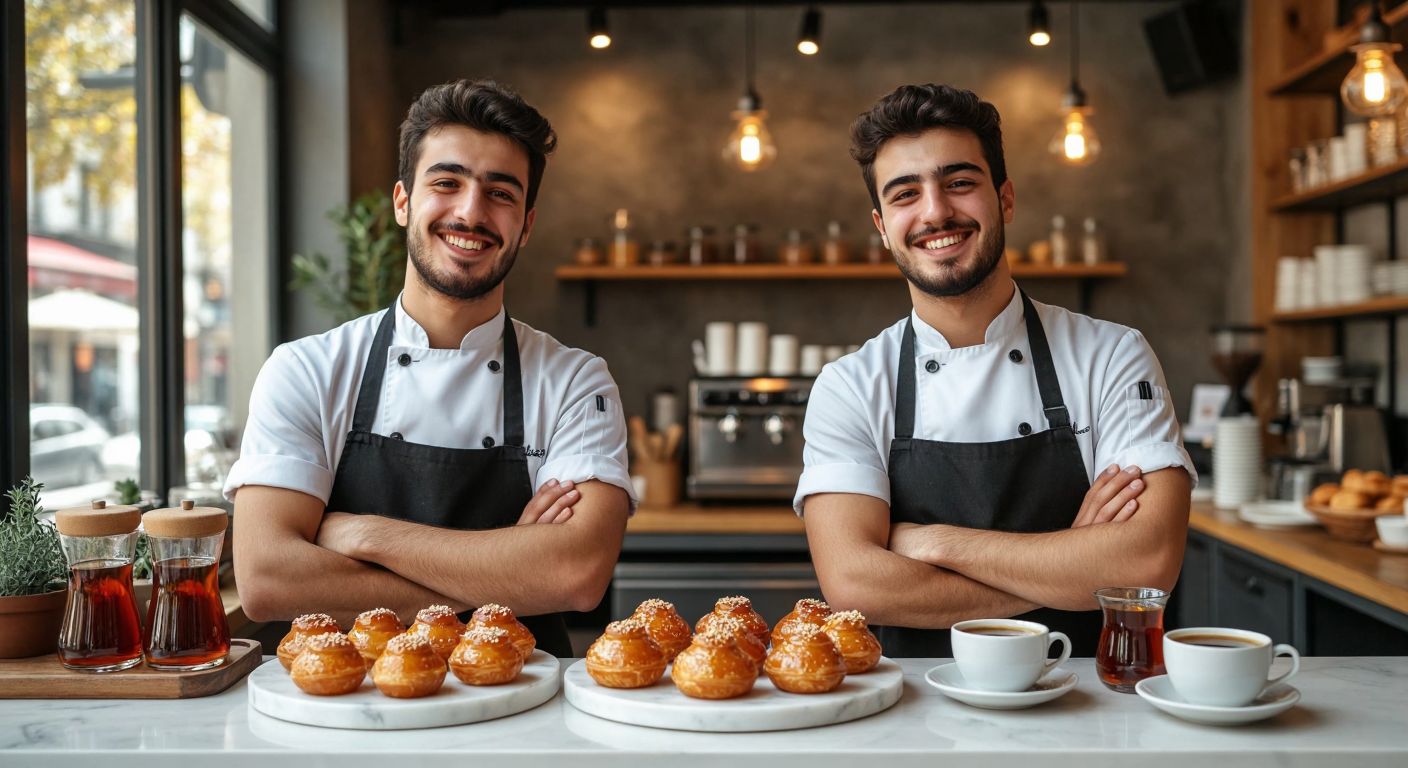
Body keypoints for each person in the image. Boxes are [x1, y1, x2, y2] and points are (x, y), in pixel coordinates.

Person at [227, 79, 633, 657]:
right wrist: (508, 566)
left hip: (525, 724)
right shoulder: (307, 370)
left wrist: (362, 534)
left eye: (501, 193)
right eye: (446, 183)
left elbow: (575, 575)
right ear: (403, 202)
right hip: (350, 715)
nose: (471, 212)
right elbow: (269, 581)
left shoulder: (574, 381)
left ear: (527, 224)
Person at [796, 84, 1195, 657]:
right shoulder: (851, 385)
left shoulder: (1111, 355)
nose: (936, 212)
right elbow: (856, 585)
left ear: (1005, 199)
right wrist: (1071, 566)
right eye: (906, 194)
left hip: (1085, 705)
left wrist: (932, 543)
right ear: (882, 226)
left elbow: (1146, 564)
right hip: (910, 717)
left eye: (960, 183)